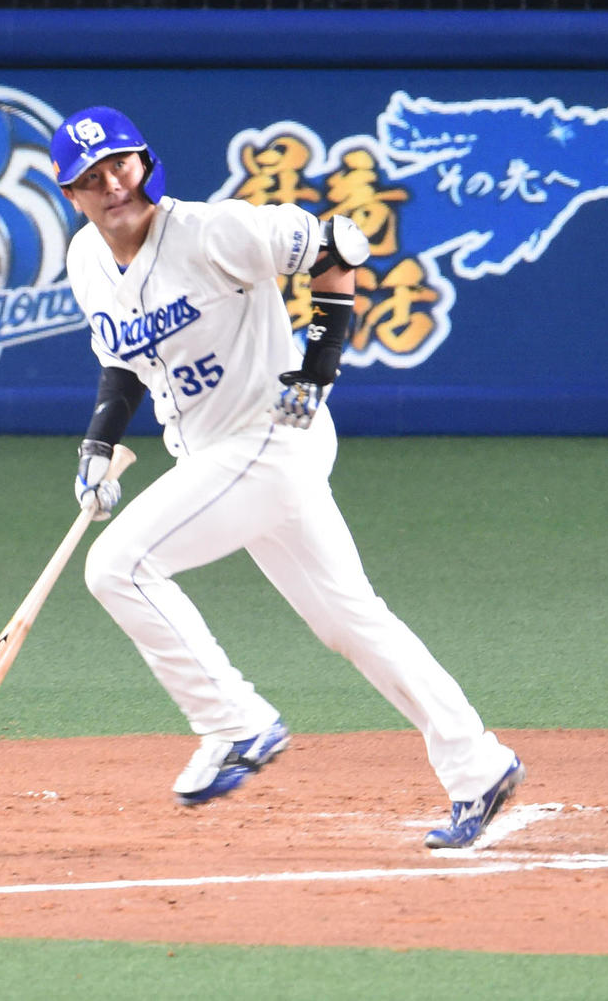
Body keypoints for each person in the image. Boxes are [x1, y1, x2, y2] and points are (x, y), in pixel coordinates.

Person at [50, 106, 523, 850]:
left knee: (119, 566)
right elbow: (123, 358)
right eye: (91, 177)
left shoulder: (213, 231)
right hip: (214, 456)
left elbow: (340, 244)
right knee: (349, 620)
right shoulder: (86, 261)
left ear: (145, 161)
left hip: (269, 440)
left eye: (121, 164)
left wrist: (316, 372)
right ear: (70, 193)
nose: (113, 184)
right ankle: (478, 764)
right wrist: (98, 444)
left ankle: (235, 723)